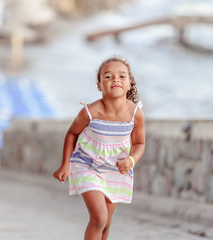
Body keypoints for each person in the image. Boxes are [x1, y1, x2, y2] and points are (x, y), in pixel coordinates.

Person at [53, 56, 145, 240]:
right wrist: (65, 165)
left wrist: (131, 160)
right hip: (87, 165)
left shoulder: (135, 113)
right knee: (99, 218)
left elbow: (139, 143)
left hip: (114, 170)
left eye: (121, 76)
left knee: (106, 224)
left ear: (129, 84)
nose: (115, 80)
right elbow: (72, 134)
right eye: (108, 76)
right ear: (99, 85)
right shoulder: (90, 112)